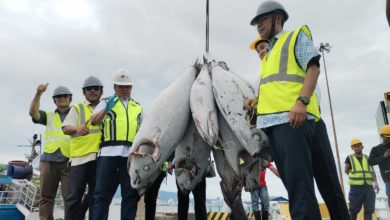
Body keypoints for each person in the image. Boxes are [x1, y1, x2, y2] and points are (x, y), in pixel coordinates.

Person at [247, 1, 337, 218]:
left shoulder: (294, 36)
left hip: (293, 121)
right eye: (256, 23)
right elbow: (277, 91)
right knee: (310, 188)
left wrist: (302, 101)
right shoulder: (269, 56)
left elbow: (313, 67)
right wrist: (255, 106)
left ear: (278, 18)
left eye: (262, 20)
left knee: (303, 188)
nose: (258, 26)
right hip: (281, 125)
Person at [90, 69, 143, 220]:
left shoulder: (137, 107)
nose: (125, 90)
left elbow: (144, 130)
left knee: (130, 196)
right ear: (114, 87)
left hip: (130, 158)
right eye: (121, 86)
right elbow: (94, 121)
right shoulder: (106, 102)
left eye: (128, 87)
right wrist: (106, 109)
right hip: (108, 155)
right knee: (101, 195)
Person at [62, 76, 104, 220]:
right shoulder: (77, 108)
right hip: (79, 160)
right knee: (73, 197)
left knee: (95, 198)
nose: (93, 91)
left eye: (96, 88)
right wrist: (77, 128)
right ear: (84, 92)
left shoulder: (105, 108)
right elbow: (65, 128)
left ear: (101, 91)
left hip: (99, 159)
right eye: (89, 89)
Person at [29, 84, 71, 220]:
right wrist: (38, 93)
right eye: (58, 97)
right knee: (46, 197)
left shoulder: (77, 114)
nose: (62, 98)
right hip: (48, 161)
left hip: (69, 161)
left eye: (65, 96)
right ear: (54, 100)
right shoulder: (49, 116)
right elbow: (33, 113)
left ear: (70, 99)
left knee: (70, 197)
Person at [345, 138, 379, 220]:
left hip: (368, 187)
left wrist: (376, 183)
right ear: (352, 148)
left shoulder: (367, 158)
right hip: (356, 188)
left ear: (362, 147)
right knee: (353, 210)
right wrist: (356, 177)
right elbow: (346, 170)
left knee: (369, 210)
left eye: (359, 146)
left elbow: (372, 172)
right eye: (355, 146)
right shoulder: (349, 158)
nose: (357, 147)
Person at [368, 124, 390, 208]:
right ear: (382, 136)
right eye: (387, 137)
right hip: (388, 178)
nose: (388, 139)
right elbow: (370, 162)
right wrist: (383, 156)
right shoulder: (376, 149)